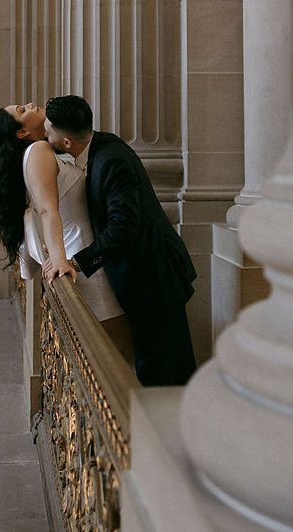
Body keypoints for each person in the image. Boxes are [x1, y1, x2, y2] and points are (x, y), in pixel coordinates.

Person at [43, 94, 198, 386]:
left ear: (66, 143)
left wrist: (76, 261)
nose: (44, 135)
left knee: (161, 372)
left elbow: (123, 229)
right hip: (147, 276)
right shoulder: (100, 144)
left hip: (155, 278)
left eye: (48, 131)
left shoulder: (111, 161)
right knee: (169, 366)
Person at [0, 102, 126, 332]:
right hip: (89, 271)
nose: (29, 104)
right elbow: (48, 209)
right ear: (22, 132)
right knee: (119, 357)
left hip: (90, 260)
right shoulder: (38, 151)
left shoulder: (43, 150)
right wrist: (59, 259)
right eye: (22, 110)